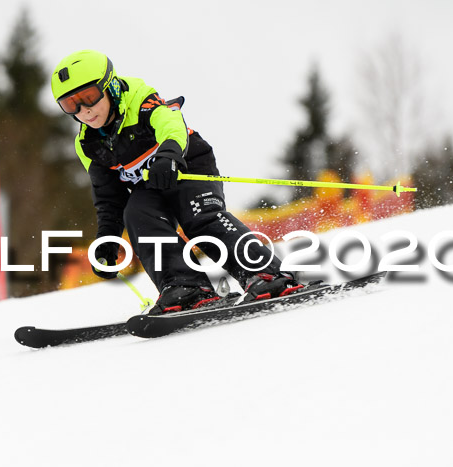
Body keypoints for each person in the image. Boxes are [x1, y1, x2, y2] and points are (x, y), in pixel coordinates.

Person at [50, 50, 303, 314]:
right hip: (150, 184)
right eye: (70, 105)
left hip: (187, 165)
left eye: (88, 97)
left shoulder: (140, 100)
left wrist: (169, 154)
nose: (83, 110)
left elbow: (171, 124)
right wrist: (108, 239)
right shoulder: (87, 144)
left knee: (200, 218)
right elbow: (109, 197)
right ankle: (185, 286)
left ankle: (266, 274)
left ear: (110, 86)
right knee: (136, 214)